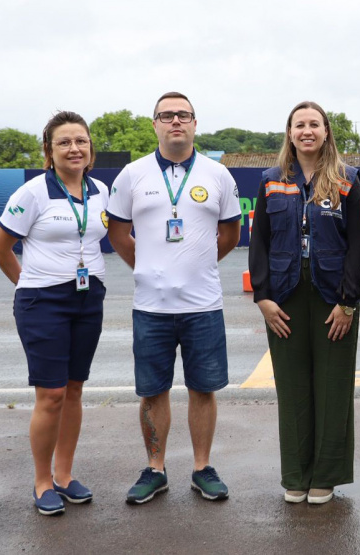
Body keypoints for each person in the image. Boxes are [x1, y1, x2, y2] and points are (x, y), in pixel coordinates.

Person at [106, 92, 242, 505]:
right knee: (152, 392)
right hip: (151, 307)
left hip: (203, 304)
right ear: (155, 125)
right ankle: (155, 469)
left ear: (195, 123)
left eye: (183, 115)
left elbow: (230, 235)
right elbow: (117, 233)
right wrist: (148, 267)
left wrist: (196, 265)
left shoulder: (219, 175)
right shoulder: (132, 174)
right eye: (167, 116)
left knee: (203, 389)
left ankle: (202, 468)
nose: (175, 122)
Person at [248, 101, 360, 505]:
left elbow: (358, 246)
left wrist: (348, 302)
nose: (307, 131)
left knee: (333, 388)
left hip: (333, 297)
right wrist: (262, 297)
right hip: (284, 296)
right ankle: (296, 475)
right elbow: (259, 242)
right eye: (299, 124)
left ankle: (326, 476)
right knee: (293, 389)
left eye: (314, 124)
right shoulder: (270, 180)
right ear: (290, 132)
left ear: (326, 132)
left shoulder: (347, 179)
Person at [0, 111, 109, 516]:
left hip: (88, 296)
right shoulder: (33, 193)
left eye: (81, 141)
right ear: (49, 150)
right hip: (43, 301)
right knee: (52, 394)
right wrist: (29, 285)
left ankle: (65, 476)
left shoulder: (101, 191)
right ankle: (42, 482)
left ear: (90, 147)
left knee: (75, 389)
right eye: (64, 142)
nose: (74, 148)